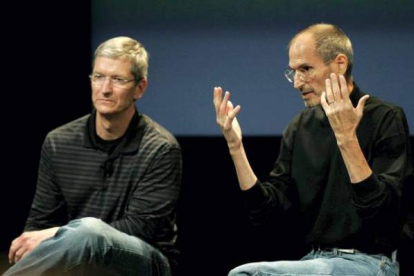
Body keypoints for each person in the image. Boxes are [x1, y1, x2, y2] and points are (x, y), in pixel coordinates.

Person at [213, 23, 413, 275]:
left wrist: (346, 138)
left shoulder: (385, 118)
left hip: (371, 261)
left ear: (340, 64)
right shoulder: (301, 127)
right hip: (313, 260)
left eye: (306, 69)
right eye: (293, 72)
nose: (297, 82)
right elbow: (267, 214)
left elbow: (384, 214)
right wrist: (235, 147)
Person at [5, 36, 182, 276]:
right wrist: (56, 239)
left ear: (140, 88)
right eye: (98, 77)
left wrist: (66, 235)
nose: (105, 89)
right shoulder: (59, 142)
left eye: (118, 80)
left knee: (89, 231)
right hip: (79, 257)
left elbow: (143, 227)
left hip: (145, 260)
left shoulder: (160, 148)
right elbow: (39, 224)